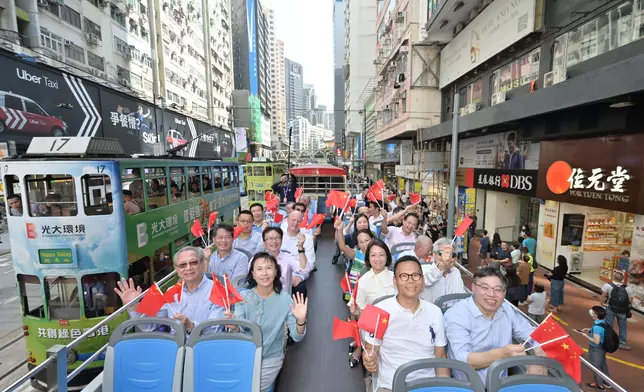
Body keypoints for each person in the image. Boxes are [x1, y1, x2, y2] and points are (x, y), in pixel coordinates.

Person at [362, 256, 450, 392]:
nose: (410, 280)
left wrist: (445, 388)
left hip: (427, 386)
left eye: (415, 275)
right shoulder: (379, 311)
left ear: (422, 280)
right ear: (395, 281)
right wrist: (369, 360)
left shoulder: (435, 312)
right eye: (404, 276)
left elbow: (441, 357)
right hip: (391, 386)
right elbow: (371, 351)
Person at [444, 266, 543, 383]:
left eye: (497, 289)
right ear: (473, 288)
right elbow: (463, 359)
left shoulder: (506, 310)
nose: (491, 294)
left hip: (502, 384)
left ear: (504, 292)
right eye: (485, 288)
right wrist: (503, 354)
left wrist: (539, 355)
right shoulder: (457, 315)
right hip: (468, 386)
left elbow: (530, 332)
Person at [225, 252, 307, 392]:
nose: (264, 273)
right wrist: (233, 327)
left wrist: (300, 321)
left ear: (276, 272)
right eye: (259, 269)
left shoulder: (286, 300)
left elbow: (297, 336)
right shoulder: (242, 298)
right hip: (243, 355)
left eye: (269, 268)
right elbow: (238, 332)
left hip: (271, 357)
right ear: (252, 273)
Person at [114, 246, 226, 337]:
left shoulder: (217, 290)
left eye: (193, 263)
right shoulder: (172, 291)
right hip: (176, 351)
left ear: (202, 264)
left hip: (205, 349)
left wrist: (190, 326)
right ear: (177, 270)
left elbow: (215, 331)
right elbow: (149, 326)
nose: (188, 268)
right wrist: (134, 306)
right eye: (182, 265)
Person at [346, 238, 395, 367]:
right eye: (373, 255)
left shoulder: (395, 277)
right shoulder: (363, 281)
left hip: (395, 323)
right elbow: (361, 315)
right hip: (373, 329)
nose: (377, 259)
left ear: (387, 256)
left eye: (381, 255)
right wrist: (357, 313)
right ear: (368, 258)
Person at [416, 238, 466, 305]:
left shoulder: (455, 272)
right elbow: (427, 281)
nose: (448, 257)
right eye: (441, 253)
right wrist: (441, 267)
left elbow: (461, 295)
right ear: (434, 255)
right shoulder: (423, 269)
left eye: (452, 255)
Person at [261, 227, 308, 295]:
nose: (274, 241)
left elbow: (304, 269)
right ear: (264, 243)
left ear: (282, 240)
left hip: (284, 301)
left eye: (277, 238)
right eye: (270, 238)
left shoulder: (288, 257)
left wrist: (300, 248)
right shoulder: (257, 260)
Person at [575, 306, 610, 391]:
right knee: (603, 364)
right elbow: (600, 331)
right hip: (602, 347)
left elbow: (596, 341)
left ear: (596, 315)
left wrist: (585, 336)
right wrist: (590, 330)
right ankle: (607, 381)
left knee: (596, 367)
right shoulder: (603, 322)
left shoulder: (597, 327)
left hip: (596, 349)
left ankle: (599, 385)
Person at [281, 211, 315, 298]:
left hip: (296, 274)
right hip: (278, 273)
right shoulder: (279, 235)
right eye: (293, 220)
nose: (295, 223)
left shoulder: (307, 239)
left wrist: (300, 277)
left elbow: (310, 264)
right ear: (287, 220)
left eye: (299, 221)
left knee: (300, 289)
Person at [600, 271, 633, 350]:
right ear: (622, 279)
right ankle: (622, 343)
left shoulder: (607, 285)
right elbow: (631, 299)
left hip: (611, 308)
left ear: (613, 277)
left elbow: (603, 295)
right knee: (622, 326)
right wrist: (628, 305)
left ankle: (607, 340)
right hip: (622, 310)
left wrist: (602, 304)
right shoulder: (627, 288)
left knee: (608, 324)